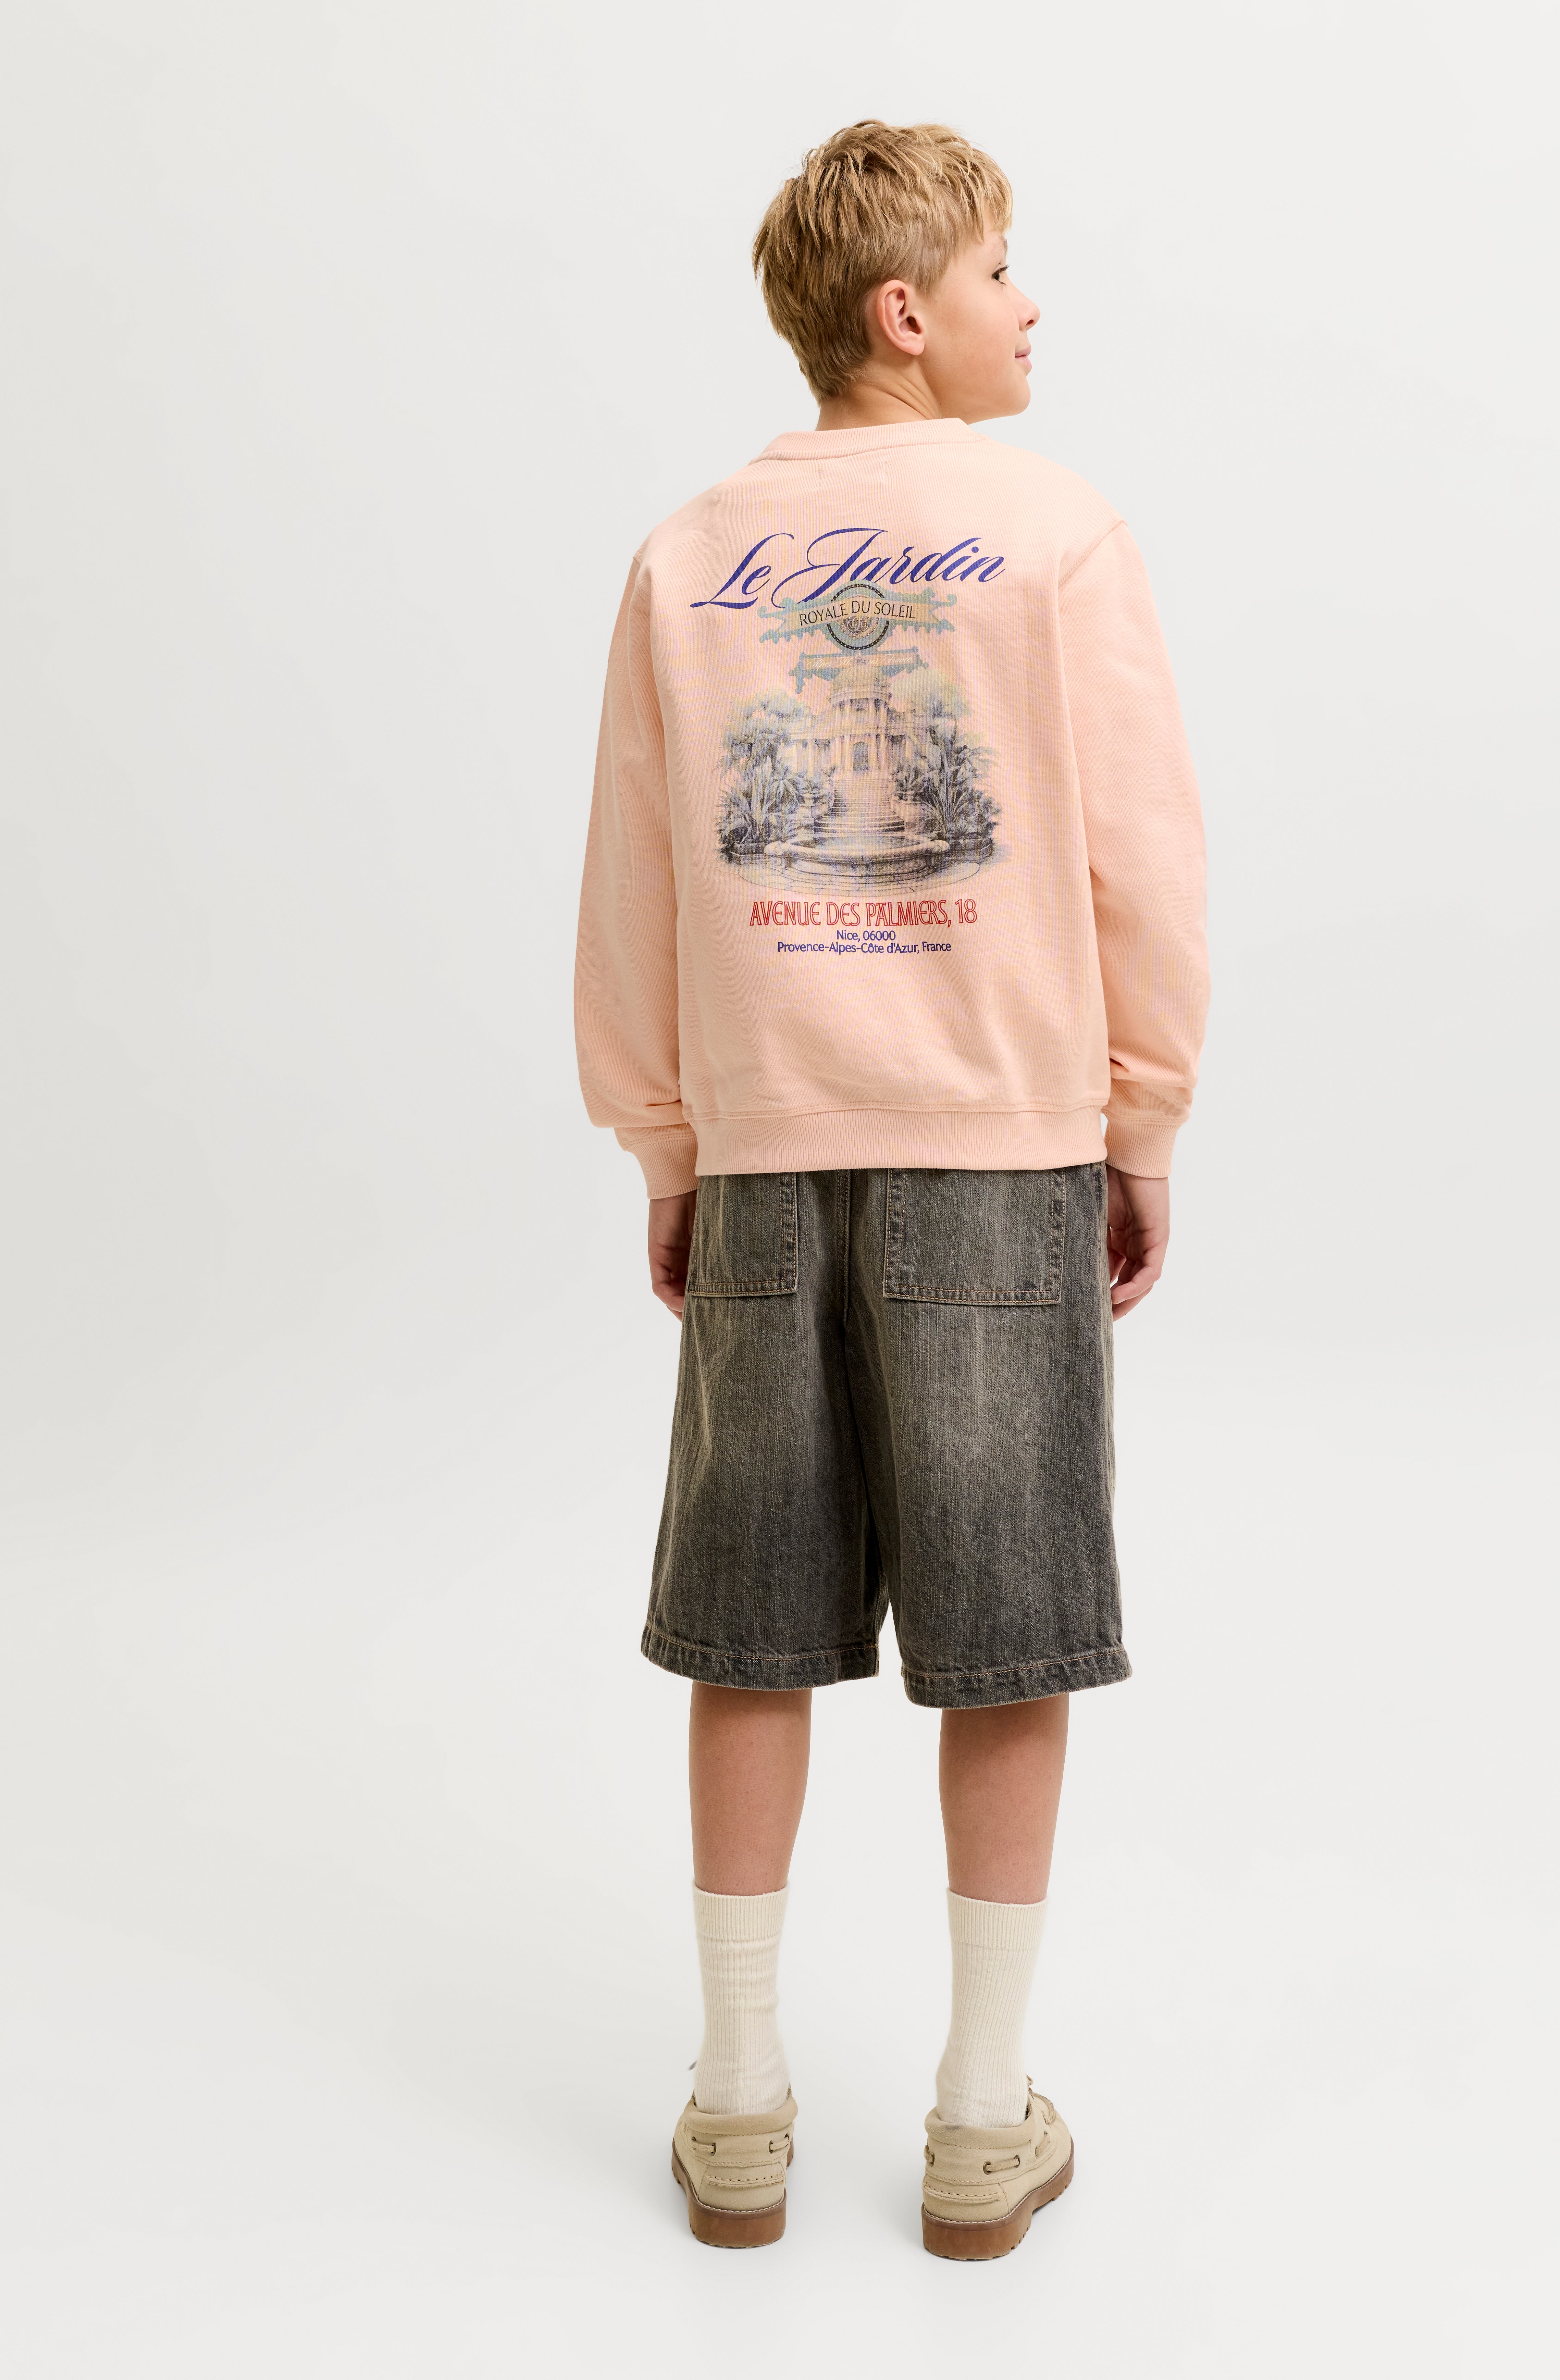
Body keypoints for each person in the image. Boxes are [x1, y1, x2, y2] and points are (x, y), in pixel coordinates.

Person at [574, 119, 1209, 2259]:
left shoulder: (685, 557)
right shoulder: (1058, 537)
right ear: (908, 311)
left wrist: (670, 1142)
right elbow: (1141, 863)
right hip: (1000, 1148)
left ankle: (739, 2099)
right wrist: (1142, 1119)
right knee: (1006, 1639)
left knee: (749, 1628)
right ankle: (977, 2116)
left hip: (768, 1151)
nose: (1038, 303)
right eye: (1009, 268)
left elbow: (634, 883)